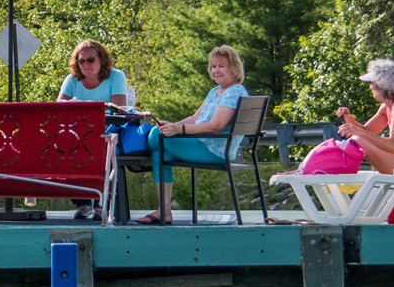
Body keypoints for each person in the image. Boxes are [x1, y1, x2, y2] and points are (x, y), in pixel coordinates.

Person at [137, 45, 250, 225]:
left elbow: (215, 127)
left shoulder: (234, 92)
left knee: (154, 136)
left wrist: (179, 131)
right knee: (160, 153)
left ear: (234, 68)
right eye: (213, 66)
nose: (216, 70)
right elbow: (195, 118)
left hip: (214, 149)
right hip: (203, 144)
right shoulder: (215, 91)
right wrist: (174, 125)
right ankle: (164, 211)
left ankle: (139, 160)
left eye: (221, 66)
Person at [57, 40, 129, 220]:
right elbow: (58, 108)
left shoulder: (115, 76)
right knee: (64, 147)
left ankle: (101, 204)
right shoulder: (72, 80)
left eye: (91, 60)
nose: (86, 64)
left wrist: (82, 105)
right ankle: (82, 203)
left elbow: (118, 108)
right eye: (82, 61)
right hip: (76, 133)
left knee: (104, 146)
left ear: (101, 60)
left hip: (107, 131)